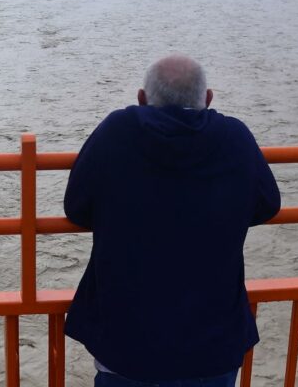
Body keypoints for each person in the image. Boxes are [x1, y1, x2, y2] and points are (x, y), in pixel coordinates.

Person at [64, 54, 281, 386]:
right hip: (213, 347)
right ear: (207, 100)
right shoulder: (234, 137)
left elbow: (76, 208)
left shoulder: (116, 131)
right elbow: (267, 204)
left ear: (141, 99)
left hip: (126, 345)